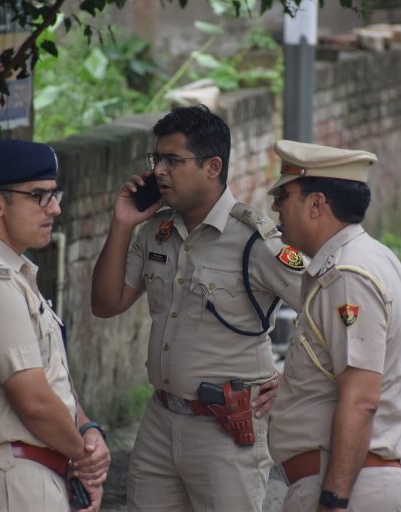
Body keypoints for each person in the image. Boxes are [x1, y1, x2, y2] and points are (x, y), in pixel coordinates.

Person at [91, 105, 304, 511]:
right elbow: (105, 303)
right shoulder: (156, 230)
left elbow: (325, 307)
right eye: (157, 159)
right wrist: (122, 223)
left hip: (226, 429)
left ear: (212, 167)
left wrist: (294, 376)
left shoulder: (256, 241)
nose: (159, 171)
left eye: (173, 160)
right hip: (160, 420)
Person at [0, 139, 110, 512]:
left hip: (24, 476)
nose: (55, 207)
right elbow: (34, 402)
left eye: (54, 194)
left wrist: (87, 429)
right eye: (39, 196)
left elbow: (51, 382)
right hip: (9, 481)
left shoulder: (12, 274)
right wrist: (85, 458)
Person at [267, 139, 401, 512]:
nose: (274, 207)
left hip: (346, 489)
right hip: (349, 484)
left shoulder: (349, 274)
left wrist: (333, 501)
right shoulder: (368, 258)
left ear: (316, 204)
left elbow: (362, 399)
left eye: (283, 196)